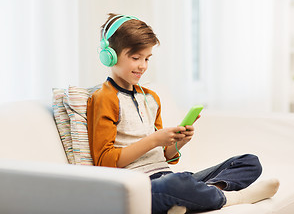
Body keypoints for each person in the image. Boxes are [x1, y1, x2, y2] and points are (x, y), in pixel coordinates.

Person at [87, 13, 280, 214]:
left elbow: (164, 157)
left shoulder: (150, 97)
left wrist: (178, 142)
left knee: (249, 162)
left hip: (166, 176)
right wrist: (154, 140)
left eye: (147, 58)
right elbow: (105, 161)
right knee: (177, 184)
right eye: (135, 58)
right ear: (109, 55)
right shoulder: (104, 98)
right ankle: (230, 197)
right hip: (141, 188)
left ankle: (196, 197)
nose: (143, 66)